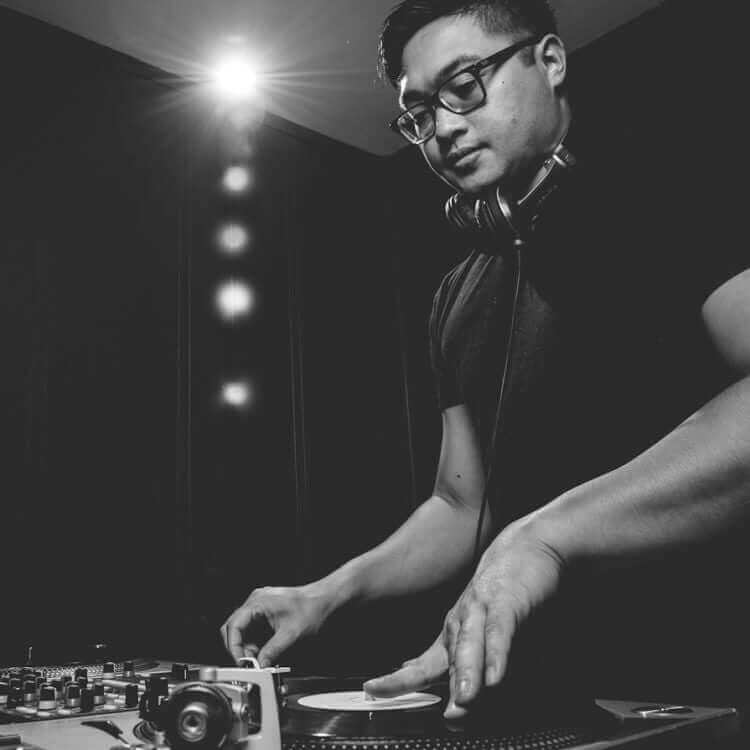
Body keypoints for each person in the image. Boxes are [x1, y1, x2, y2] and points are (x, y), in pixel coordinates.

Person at [222, 0, 749, 719]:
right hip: (558, 696)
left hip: (708, 678)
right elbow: (460, 504)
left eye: (465, 84)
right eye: (418, 113)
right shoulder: (455, 296)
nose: (441, 128)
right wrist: (328, 593)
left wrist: (543, 536)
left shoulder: (672, 185)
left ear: (551, 62)